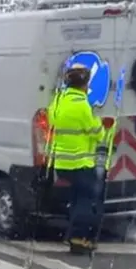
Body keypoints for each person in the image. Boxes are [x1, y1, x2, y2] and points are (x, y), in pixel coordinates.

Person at [46, 63, 108, 255]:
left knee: (75, 197)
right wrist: (100, 123)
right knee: (86, 199)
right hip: (80, 163)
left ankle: (75, 235)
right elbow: (97, 134)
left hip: (62, 163)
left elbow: (51, 120)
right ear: (85, 84)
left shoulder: (58, 101)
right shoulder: (83, 106)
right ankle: (78, 238)